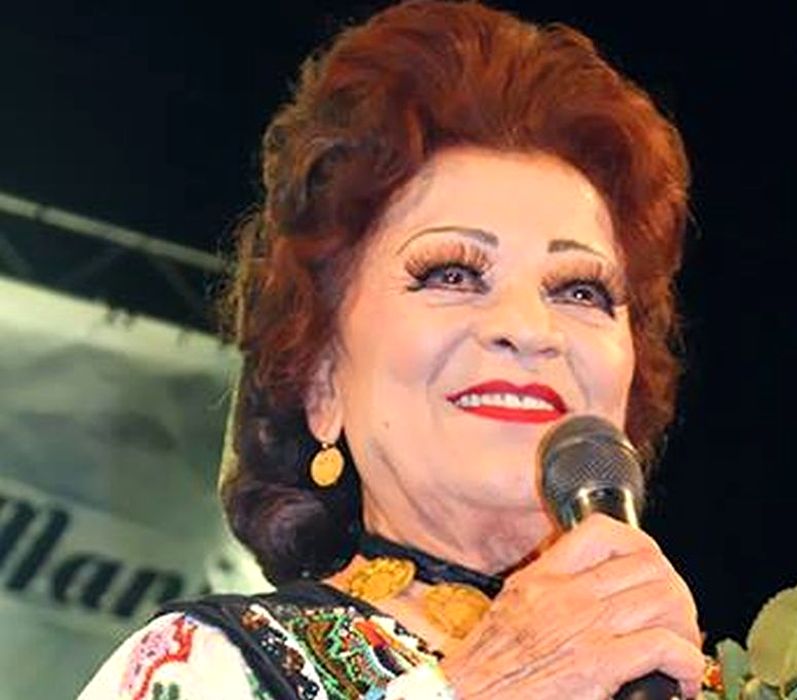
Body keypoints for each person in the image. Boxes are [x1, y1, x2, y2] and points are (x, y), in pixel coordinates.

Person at [79, 1, 704, 698]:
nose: (530, 328)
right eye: (452, 274)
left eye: (581, 290)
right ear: (320, 378)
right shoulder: (203, 665)